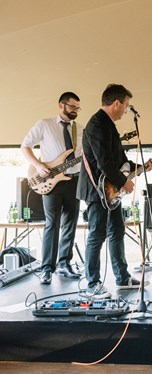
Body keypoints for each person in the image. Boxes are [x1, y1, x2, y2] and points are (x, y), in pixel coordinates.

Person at [77, 84, 152, 298]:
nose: (126, 111)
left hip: (110, 189)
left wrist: (141, 168)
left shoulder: (108, 125)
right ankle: (92, 283)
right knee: (97, 235)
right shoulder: (97, 124)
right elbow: (104, 162)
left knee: (117, 231)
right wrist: (123, 182)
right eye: (126, 106)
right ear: (116, 103)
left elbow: (119, 162)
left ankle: (122, 277)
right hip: (97, 190)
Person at [21, 92, 83, 284]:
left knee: (70, 223)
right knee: (51, 223)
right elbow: (25, 146)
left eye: (77, 108)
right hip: (50, 181)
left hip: (74, 179)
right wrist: (38, 166)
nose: (75, 111)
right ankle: (47, 268)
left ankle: (64, 264)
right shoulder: (45, 124)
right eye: (72, 107)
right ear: (61, 105)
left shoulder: (80, 128)